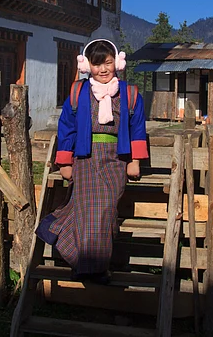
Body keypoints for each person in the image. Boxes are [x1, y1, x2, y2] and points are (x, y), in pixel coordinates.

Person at [35, 38, 148, 283]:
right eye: (97, 65)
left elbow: (138, 127)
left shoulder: (129, 93)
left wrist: (135, 160)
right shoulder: (79, 92)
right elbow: (67, 128)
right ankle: (94, 269)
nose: (103, 69)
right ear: (88, 66)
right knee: (90, 211)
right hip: (85, 158)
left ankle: (63, 239)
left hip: (116, 159)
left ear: (117, 63)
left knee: (105, 210)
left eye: (107, 63)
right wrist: (65, 163)